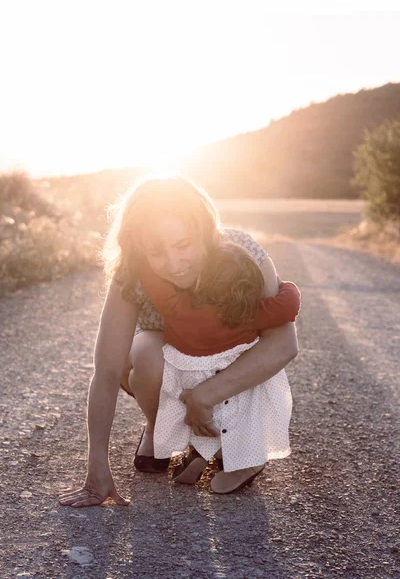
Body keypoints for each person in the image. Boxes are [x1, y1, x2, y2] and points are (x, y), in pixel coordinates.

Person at [59, 175, 298, 507]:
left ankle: (230, 439)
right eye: (156, 251)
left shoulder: (242, 254)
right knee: (145, 353)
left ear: (205, 231)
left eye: (183, 245)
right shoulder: (133, 273)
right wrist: (96, 464)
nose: (174, 264)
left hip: (229, 368)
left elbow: (283, 344)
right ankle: (161, 430)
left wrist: (205, 395)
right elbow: (107, 370)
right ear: (139, 247)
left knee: (231, 363)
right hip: (170, 363)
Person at [137, 241, 300, 492]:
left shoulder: (178, 307)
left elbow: (153, 281)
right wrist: (283, 283)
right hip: (232, 386)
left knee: (200, 419)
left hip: (189, 381)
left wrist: (148, 251)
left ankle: (201, 450)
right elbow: (288, 305)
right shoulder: (252, 313)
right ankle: (243, 464)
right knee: (243, 414)